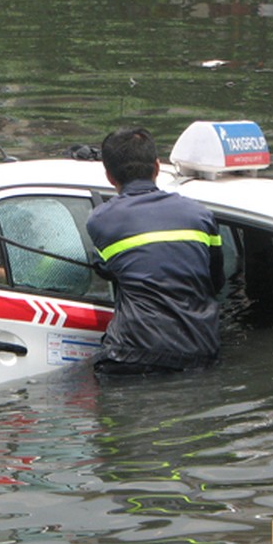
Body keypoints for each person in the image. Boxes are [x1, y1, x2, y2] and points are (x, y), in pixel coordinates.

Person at [85, 127, 225, 376]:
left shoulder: (102, 220)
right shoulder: (201, 216)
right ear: (157, 167)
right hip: (199, 352)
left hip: (132, 355)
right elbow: (215, 282)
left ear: (109, 176)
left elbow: (106, 270)